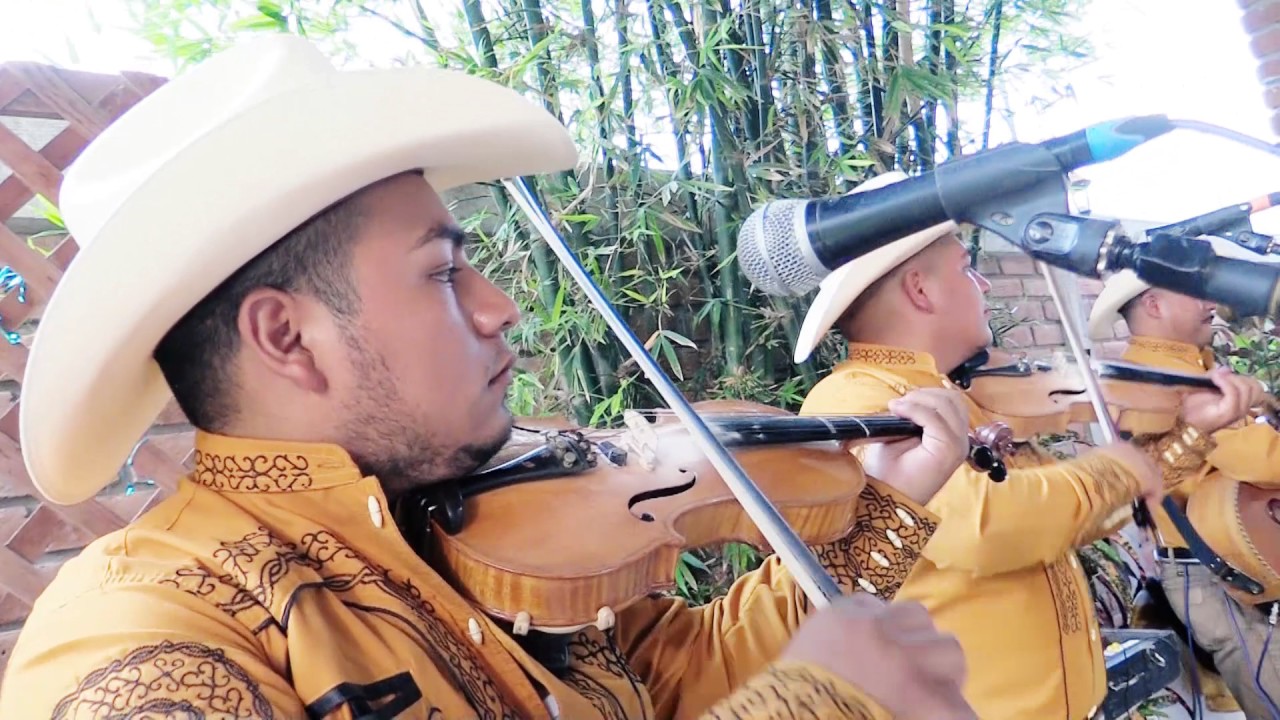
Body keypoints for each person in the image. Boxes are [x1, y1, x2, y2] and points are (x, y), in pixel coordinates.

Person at [0, 36, 980, 719]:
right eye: (440, 272)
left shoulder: (502, 522)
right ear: (287, 339)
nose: (498, 306)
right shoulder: (140, 628)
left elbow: (688, 685)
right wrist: (811, 703)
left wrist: (881, 513)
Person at [791, 172, 1254, 720]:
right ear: (920, 288)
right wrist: (1119, 468)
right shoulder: (857, 395)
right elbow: (990, 528)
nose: (983, 286)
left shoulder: (959, 397)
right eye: (967, 269)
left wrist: (1190, 436)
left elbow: (1070, 519)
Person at [1088, 240, 1280, 719]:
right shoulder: (1155, 375)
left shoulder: (1188, 365)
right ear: (1153, 303)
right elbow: (1256, 458)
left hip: (1229, 557)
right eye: (1196, 291)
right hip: (1213, 566)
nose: (1210, 302)